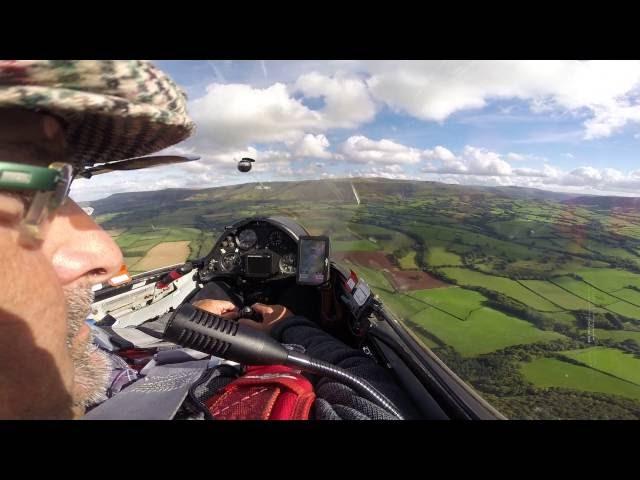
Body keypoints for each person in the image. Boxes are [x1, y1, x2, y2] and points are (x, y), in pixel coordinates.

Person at [0, 60, 194, 419]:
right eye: (15, 192)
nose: (105, 253)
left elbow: (102, 338)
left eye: (63, 183)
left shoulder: (89, 343)